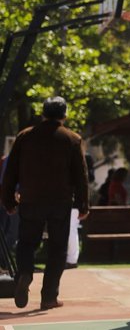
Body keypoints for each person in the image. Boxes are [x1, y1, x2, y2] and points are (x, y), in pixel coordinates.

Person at [1, 96, 90, 310]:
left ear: (42, 113)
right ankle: (49, 297)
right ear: (64, 115)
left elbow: (11, 171)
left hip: (31, 199)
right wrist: (83, 205)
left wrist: (9, 200)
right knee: (57, 248)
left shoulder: (25, 136)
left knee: (26, 243)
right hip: (60, 202)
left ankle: (24, 273)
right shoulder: (72, 139)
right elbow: (81, 176)